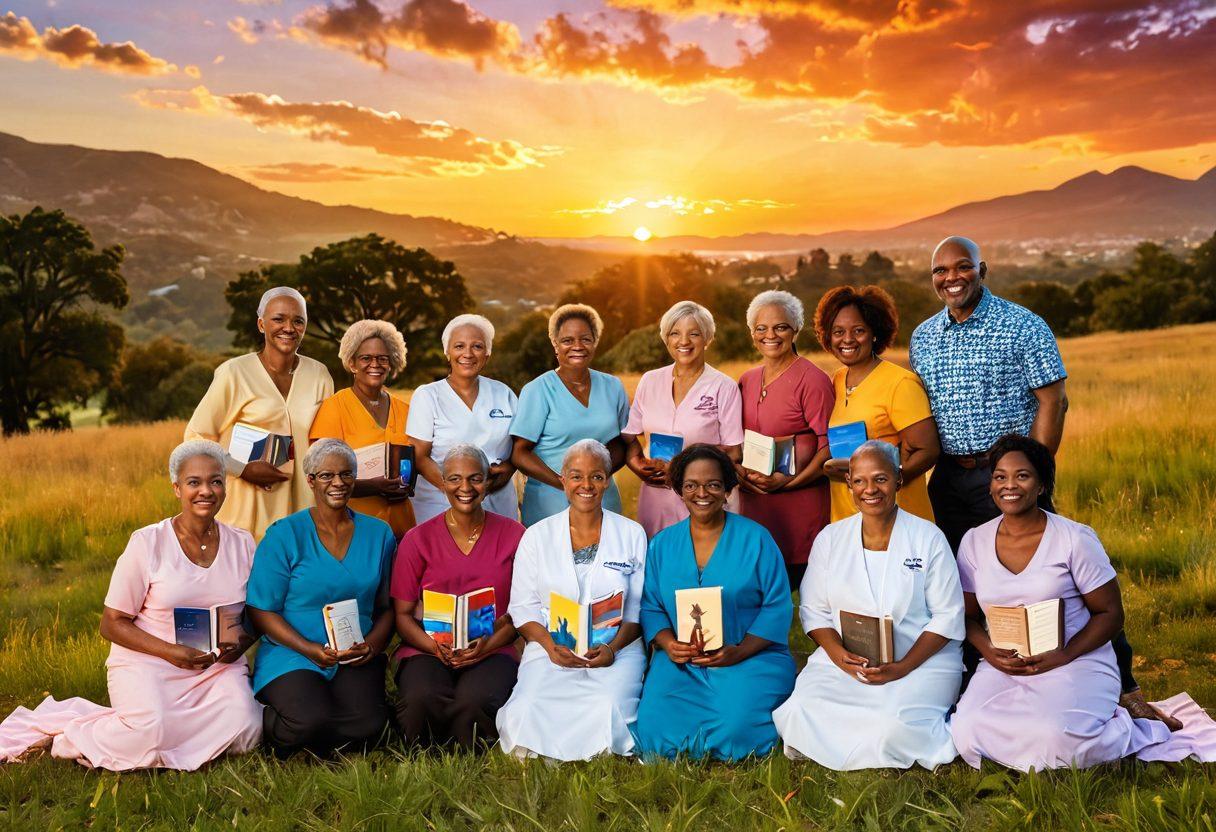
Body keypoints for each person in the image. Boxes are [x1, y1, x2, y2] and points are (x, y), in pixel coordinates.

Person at [909, 236, 1166, 725]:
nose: (951, 278)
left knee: (1064, 577)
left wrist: (1034, 473)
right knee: (966, 586)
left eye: (962, 267)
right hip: (950, 477)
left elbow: (1053, 400)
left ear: (982, 268)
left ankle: (1125, 685)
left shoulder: (1021, 325)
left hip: (1006, 472)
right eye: (940, 270)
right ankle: (979, 677)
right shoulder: (924, 337)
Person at [950, 435, 1216, 770]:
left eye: (1022, 476)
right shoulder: (974, 541)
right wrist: (989, 652)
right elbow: (968, 617)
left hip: (1075, 658)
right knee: (967, 731)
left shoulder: (1073, 538)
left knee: (1058, 739)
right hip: (1007, 663)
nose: (1009, 485)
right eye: (1000, 476)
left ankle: (1130, 728)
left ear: (1042, 485)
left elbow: (1110, 613)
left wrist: (1064, 654)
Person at [0, 441, 261, 770]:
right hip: (150, 661)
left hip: (216, 667)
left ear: (225, 486)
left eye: (216, 481)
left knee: (248, 728)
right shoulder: (147, 542)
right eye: (194, 482)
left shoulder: (243, 543)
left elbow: (255, 615)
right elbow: (111, 623)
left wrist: (238, 646)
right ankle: (76, 734)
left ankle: (171, 731)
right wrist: (170, 652)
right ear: (176, 488)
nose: (205, 491)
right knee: (151, 733)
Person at [773, 441, 965, 770]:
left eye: (880, 479)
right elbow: (814, 611)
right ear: (848, 483)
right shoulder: (831, 539)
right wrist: (838, 655)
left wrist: (902, 667)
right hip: (848, 660)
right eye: (859, 481)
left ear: (899, 481)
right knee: (798, 710)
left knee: (890, 727)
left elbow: (948, 615)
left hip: (918, 660)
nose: (869, 490)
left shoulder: (928, 538)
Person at [634, 445, 794, 761]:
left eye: (713, 484)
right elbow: (651, 606)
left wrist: (740, 650)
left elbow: (777, 605)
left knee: (738, 728)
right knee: (653, 729)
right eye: (691, 485)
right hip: (683, 661)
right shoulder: (663, 544)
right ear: (679, 490)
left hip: (748, 655)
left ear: (727, 490)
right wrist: (668, 644)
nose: (701, 493)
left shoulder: (757, 539)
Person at [495, 440, 647, 761]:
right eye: (576, 476)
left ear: (607, 480)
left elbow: (637, 609)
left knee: (609, 705)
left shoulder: (632, 534)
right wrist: (551, 648)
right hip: (554, 647)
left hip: (614, 648)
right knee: (530, 705)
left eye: (596, 476)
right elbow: (523, 608)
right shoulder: (536, 536)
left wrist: (612, 649)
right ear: (563, 480)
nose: (586, 486)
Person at [246, 439, 397, 757]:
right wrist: (309, 649)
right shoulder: (284, 534)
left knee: (370, 727)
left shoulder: (379, 534)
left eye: (346, 474)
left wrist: (371, 646)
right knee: (308, 720)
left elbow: (386, 608)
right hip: (294, 651)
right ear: (311, 480)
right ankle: (273, 721)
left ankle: (325, 731)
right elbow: (261, 610)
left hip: (354, 653)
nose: (338, 483)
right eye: (327, 475)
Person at [391, 444, 526, 749]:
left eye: (475, 478)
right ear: (442, 482)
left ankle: (467, 751)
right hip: (427, 647)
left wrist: (488, 645)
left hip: (492, 646)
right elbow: (402, 614)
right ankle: (424, 753)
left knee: (475, 700)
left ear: (488, 481)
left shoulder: (515, 535)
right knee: (422, 697)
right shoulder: (417, 539)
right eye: (454, 479)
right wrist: (434, 647)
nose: (465, 487)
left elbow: (522, 611)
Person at [186, 286, 334, 540]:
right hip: (246, 517)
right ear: (261, 324)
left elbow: (328, 443)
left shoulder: (319, 374)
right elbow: (195, 436)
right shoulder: (234, 373)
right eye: (278, 319)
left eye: (298, 321)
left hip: (303, 515)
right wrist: (242, 469)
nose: (289, 328)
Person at [814, 285, 939, 523]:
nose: (847, 339)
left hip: (897, 518)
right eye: (838, 331)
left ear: (874, 333)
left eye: (858, 330)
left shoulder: (900, 383)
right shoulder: (837, 381)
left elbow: (927, 450)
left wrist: (885, 481)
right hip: (848, 519)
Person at [622, 301, 744, 538]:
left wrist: (683, 473)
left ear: (707, 338)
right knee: (658, 563)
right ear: (666, 338)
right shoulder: (650, 380)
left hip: (704, 498)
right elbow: (629, 437)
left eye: (694, 333)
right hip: (656, 496)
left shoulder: (724, 386)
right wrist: (637, 465)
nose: (684, 341)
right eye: (675, 333)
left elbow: (733, 452)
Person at [737, 290, 834, 585]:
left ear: (795, 330)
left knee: (811, 599)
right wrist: (741, 475)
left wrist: (789, 482)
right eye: (761, 328)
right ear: (752, 333)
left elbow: (829, 446)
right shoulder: (747, 379)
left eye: (780, 327)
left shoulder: (813, 380)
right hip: (755, 505)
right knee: (759, 592)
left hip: (800, 507)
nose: (771, 335)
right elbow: (734, 441)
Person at [510, 304, 629, 527]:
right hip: (550, 505)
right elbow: (519, 453)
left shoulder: (613, 386)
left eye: (585, 339)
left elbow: (622, 442)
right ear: (555, 345)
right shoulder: (538, 390)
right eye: (567, 340)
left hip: (604, 501)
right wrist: (564, 483)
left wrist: (594, 480)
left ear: (595, 341)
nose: (577, 346)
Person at [406, 314, 519, 524]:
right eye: (459, 346)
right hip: (439, 505)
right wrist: (461, 491)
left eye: (477, 346)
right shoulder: (428, 395)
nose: (467, 353)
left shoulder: (504, 393)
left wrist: (507, 469)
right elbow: (419, 457)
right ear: (447, 352)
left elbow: (520, 448)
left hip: (498, 503)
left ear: (487, 353)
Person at [309, 319, 415, 538]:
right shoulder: (334, 408)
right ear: (352, 363)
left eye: (382, 358)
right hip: (354, 531)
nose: (374, 364)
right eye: (366, 358)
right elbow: (322, 479)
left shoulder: (406, 410)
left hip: (403, 528)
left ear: (391, 362)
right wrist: (374, 487)